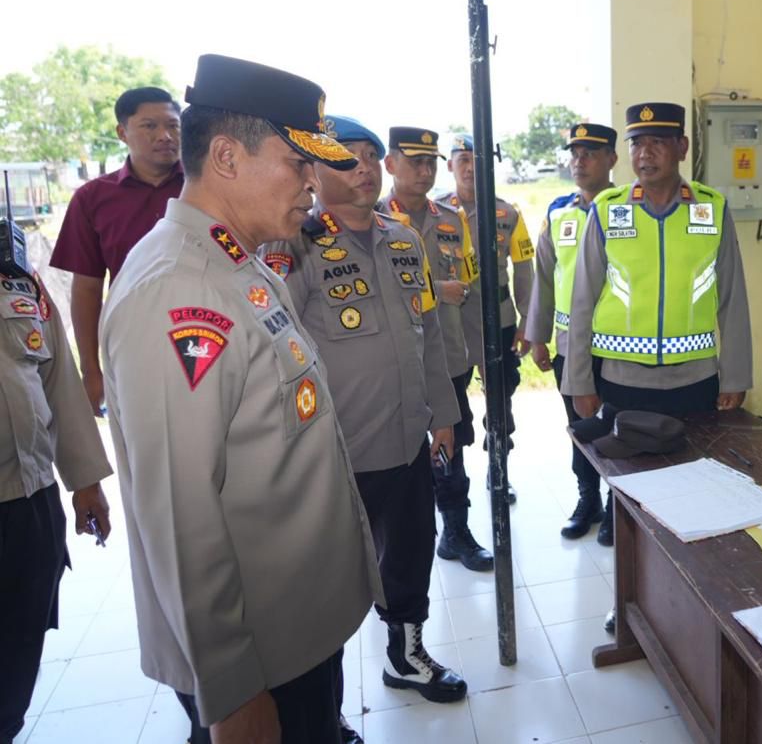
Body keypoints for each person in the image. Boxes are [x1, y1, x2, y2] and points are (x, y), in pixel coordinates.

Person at [101, 54, 382, 744]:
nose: (315, 184)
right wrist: (233, 690)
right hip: (259, 660)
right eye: (298, 163)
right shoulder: (179, 291)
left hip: (296, 630)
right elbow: (180, 510)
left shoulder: (237, 261)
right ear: (226, 156)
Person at [264, 116, 466, 713]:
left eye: (371, 157)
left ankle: (406, 656)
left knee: (409, 554)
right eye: (347, 159)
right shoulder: (294, 246)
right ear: (314, 172)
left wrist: (444, 417)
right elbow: (280, 354)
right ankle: (320, 708)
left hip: (406, 440)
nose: (364, 169)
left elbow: (426, 332)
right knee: (325, 584)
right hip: (334, 448)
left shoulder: (404, 239)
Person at [562, 102, 753, 548]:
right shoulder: (609, 211)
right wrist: (579, 380)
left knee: (694, 487)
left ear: (681, 147)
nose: (645, 153)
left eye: (658, 142)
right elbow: (582, 301)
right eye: (637, 143)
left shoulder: (711, 209)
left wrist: (737, 374)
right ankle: (631, 599)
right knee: (629, 492)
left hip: (696, 382)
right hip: (623, 383)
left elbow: (733, 298)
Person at [0, 269, 112, 744]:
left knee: (20, 647)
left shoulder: (18, 283)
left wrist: (85, 479)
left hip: (30, 502)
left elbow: (59, 380)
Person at [381, 127, 493, 572]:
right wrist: (435, 288)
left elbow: (467, 289)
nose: (425, 171)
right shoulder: (371, 218)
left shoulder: (452, 220)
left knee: (452, 448)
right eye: (414, 162)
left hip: (447, 357)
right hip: (395, 362)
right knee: (398, 457)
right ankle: (398, 541)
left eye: (430, 162)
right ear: (391, 165)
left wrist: (480, 352)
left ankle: (455, 531)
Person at [50, 86, 184, 413]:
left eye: (173, 125)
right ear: (122, 132)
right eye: (149, 126)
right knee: (143, 450)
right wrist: (91, 371)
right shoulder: (92, 199)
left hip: (211, 333)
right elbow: (86, 289)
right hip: (133, 343)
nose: (165, 135)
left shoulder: (206, 187)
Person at [527, 122, 617, 541]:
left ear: (612, 160)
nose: (579, 161)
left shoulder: (627, 209)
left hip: (620, 347)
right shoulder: (558, 211)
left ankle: (620, 508)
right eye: (575, 153)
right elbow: (545, 277)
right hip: (570, 346)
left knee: (618, 428)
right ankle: (589, 500)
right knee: (579, 427)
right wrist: (537, 335)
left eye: (591, 153)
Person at [439, 134, 534, 505]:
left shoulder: (507, 214)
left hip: (499, 322)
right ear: (449, 164)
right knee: (452, 403)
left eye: (476, 159)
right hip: (452, 323)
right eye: (461, 158)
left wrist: (528, 320)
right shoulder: (438, 214)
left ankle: (499, 471)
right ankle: (452, 479)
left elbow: (525, 270)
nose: (469, 167)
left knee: (501, 399)